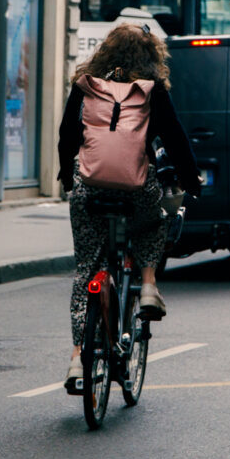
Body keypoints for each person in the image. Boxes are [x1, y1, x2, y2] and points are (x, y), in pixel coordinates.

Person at [57, 24, 201, 389]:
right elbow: (175, 137)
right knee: (153, 223)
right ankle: (149, 284)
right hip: (136, 187)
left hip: (89, 187)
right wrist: (191, 180)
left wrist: (67, 177)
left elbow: (67, 136)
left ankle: (77, 357)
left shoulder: (85, 85)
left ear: (106, 51)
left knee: (86, 270)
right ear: (151, 56)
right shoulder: (153, 91)